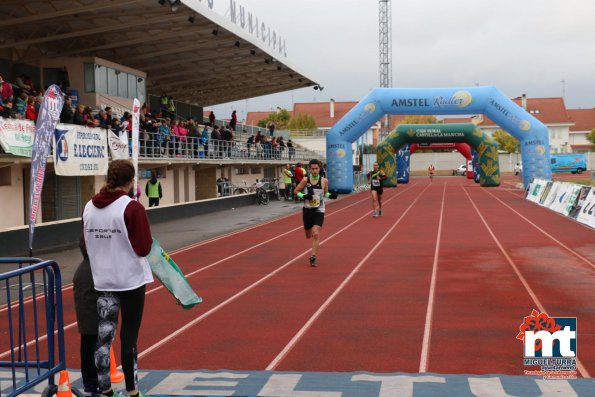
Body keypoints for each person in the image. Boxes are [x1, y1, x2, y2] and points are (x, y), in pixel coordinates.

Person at [82, 159, 153, 397]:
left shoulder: (89, 207)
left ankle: (105, 389)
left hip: (102, 280)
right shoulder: (132, 208)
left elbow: (85, 242)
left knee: (104, 336)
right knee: (128, 337)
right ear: (131, 182)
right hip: (129, 280)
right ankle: (132, 391)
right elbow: (143, 248)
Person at [294, 159, 337, 267]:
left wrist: (331, 196)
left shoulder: (324, 181)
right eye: (312, 169)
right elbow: (295, 191)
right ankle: (310, 236)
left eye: (316, 169)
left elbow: (325, 193)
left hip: (319, 210)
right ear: (309, 169)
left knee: (316, 233)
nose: (314, 171)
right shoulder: (305, 180)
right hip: (307, 210)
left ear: (319, 169)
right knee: (308, 235)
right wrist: (303, 196)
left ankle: (313, 256)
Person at [73, 237, 99, 395]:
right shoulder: (92, 269)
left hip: (87, 316)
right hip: (91, 316)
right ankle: (92, 384)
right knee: (92, 349)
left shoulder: (84, 267)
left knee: (88, 347)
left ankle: (91, 383)